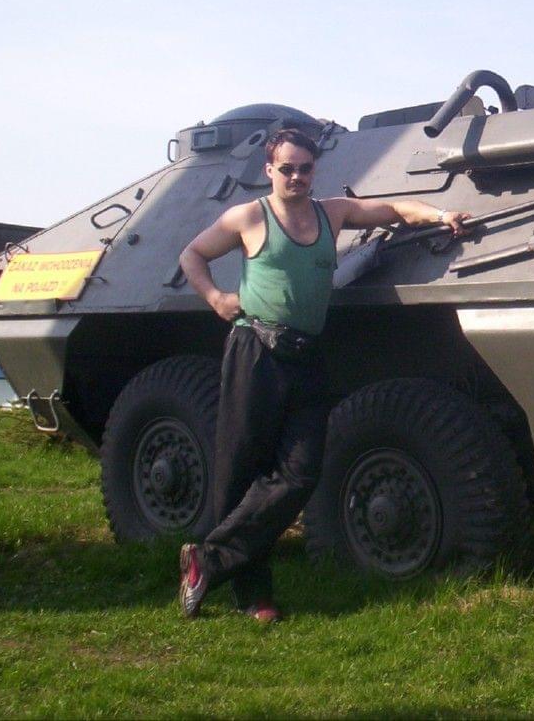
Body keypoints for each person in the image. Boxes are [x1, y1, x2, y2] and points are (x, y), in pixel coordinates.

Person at [175, 127, 469, 623]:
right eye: (286, 168)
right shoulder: (249, 216)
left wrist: (441, 215)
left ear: (315, 170)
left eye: (305, 168)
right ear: (269, 170)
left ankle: (208, 559)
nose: (296, 176)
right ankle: (254, 596)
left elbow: (392, 210)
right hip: (255, 352)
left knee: (301, 472)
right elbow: (192, 255)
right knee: (242, 473)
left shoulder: (330, 213)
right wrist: (216, 298)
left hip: (306, 355)